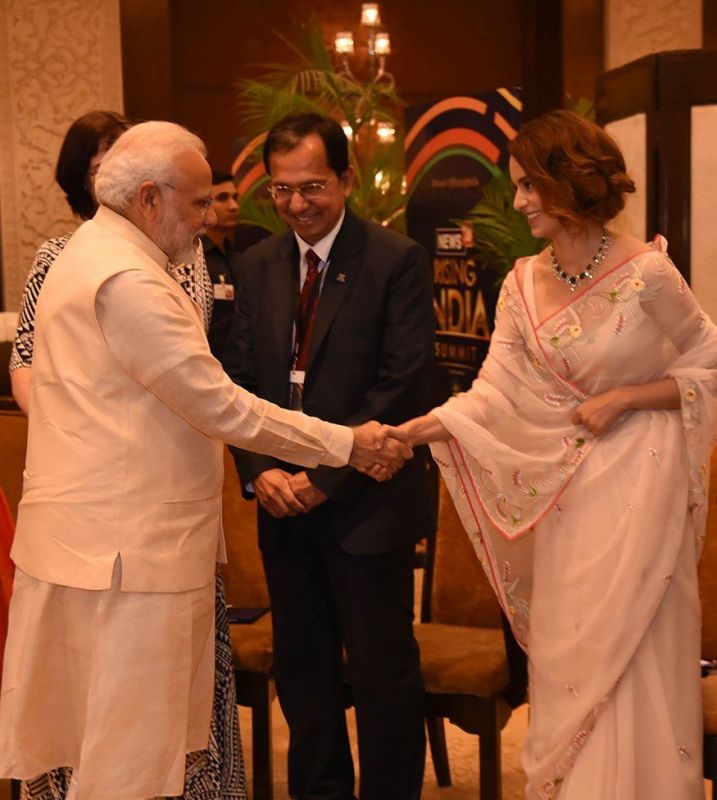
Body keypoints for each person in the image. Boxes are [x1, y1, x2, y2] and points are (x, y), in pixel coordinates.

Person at [0, 120, 409, 800]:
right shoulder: (127, 278)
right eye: (196, 202)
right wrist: (348, 442)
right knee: (127, 760)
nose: (209, 218)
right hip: (127, 557)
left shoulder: (89, 251)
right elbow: (218, 403)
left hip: (93, 545)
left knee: (99, 743)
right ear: (151, 199)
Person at [388, 110, 717, 799]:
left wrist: (627, 398)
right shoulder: (518, 283)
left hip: (640, 493)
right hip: (568, 503)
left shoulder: (648, 272)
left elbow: (708, 363)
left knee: (634, 659)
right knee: (572, 662)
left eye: (528, 186)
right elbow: (492, 391)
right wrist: (417, 430)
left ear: (570, 180)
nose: (518, 203)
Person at [8, 111, 239, 800]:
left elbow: (204, 374)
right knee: (107, 720)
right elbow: (36, 369)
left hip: (176, 514)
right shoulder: (75, 259)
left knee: (172, 713)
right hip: (111, 523)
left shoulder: (188, 255)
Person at [222, 112, 435, 800]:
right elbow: (240, 382)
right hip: (281, 503)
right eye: (280, 191)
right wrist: (262, 473)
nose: (296, 205)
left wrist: (323, 474)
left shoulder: (393, 259)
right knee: (304, 671)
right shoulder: (255, 265)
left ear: (345, 179)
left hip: (365, 502)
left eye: (311, 186)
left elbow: (400, 383)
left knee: (381, 676)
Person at [201, 170, 240, 359]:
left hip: (237, 366)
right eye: (223, 198)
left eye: (235, 197)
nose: (233, 206)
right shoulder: (194, 257)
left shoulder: (238, 256)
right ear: (205, 204)